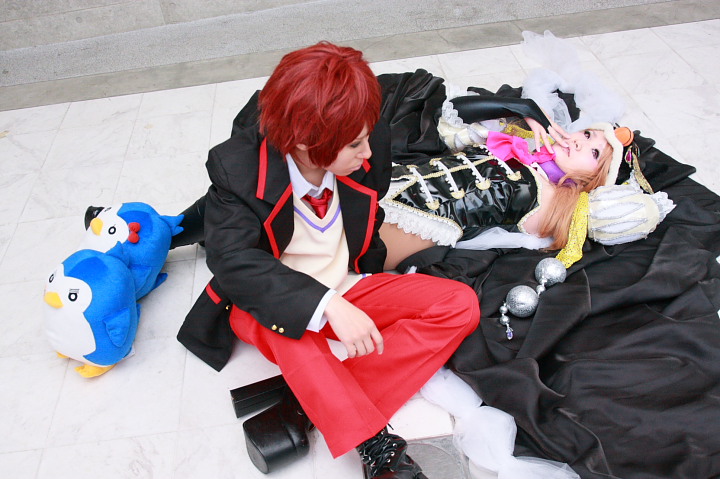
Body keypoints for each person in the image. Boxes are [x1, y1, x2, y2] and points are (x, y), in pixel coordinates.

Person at [178, 42, 480, 478]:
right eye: (355, 144)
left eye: (366, 137)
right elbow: (234, 263)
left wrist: (342, 296)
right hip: (266, 299)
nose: (369, 153)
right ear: (304, 140)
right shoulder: (236, 168)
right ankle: (378, 449)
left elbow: (369, 212)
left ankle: (310, 399)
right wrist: (327, 305)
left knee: (459, 305)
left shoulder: (368, 140)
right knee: (293, 334)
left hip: (347, 281)